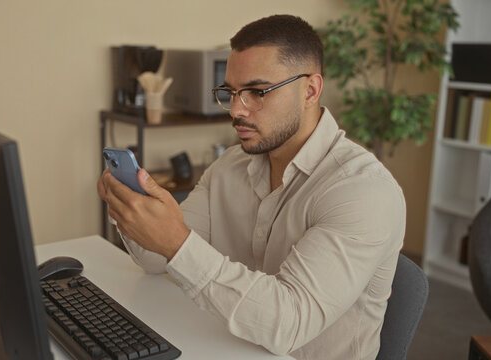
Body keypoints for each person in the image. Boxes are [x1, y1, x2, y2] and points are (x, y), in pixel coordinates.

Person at [98, 14, 406, 360]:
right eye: (230, 92)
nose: (236, 110)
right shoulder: (230, 167)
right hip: (225, 346)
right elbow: (157, 260)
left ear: (310, 90)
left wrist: (176, 242)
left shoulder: (363, 192)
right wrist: (131, 209)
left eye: (257, 92)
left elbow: (288, 325)